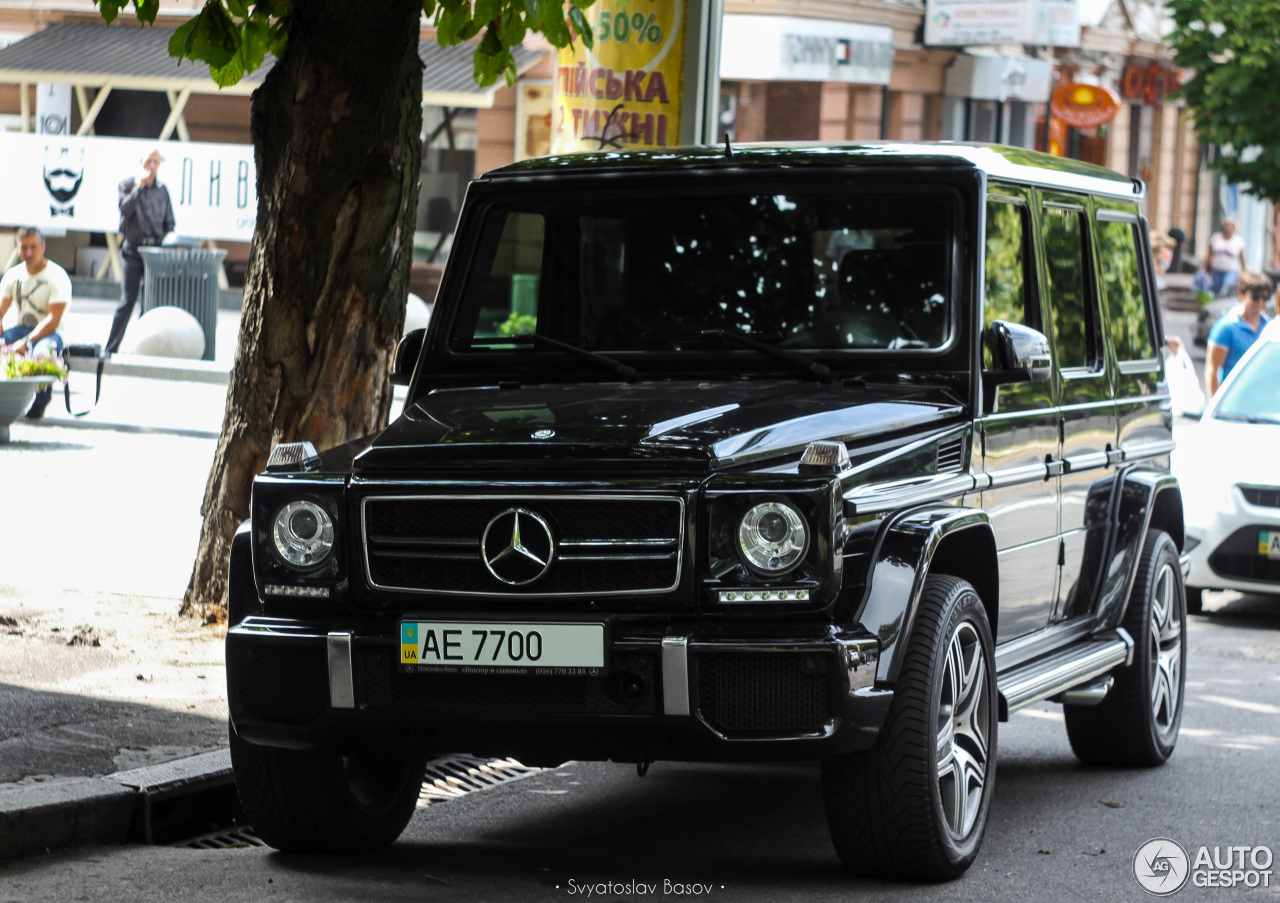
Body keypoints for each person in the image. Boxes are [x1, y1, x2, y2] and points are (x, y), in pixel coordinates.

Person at [106, 146, 175, 354]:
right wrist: (140, 187)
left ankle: (143, 348)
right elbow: (124, 209)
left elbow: (170, 221)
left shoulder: (162, 190)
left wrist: (163, 241)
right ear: (141, 163)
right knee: (128, 299)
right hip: (133, 249)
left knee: (151, 300)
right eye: (148, 161)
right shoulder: (127, 184)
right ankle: (111, 348)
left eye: (155, 162)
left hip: (154, 251)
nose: (151, 166)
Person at [0, 227, 72, 419]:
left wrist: (25, 343)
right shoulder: (12, 275)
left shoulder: (57, 276)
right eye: (24, 247)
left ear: (43, 247)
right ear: (17, 248)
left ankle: (40, 402)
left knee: (42, 353)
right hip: (20, 329)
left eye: (33, 247)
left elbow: (53, 320)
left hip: (51, 332)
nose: (29, 253)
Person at [1205, 270, 1272, 397]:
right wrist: (1215, 407)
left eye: (1265, 298)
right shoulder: (1226, 327)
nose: (1260, 303)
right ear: (1241, 294)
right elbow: (1212, 371)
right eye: (1256, 297)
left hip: (1262, 401)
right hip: (1233, 402)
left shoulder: (1268, 326)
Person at [1203, 218, 1247, 298]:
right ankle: (1216, 306)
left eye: (1231, 226)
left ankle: (1222, 306)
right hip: (1216, 269)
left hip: (1230, 271)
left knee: (1225, 287)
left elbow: (1241, 257)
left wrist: (1245, 269)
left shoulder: (1238, 241)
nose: (1229, 227)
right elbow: (1209, 253)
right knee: (1216, 289)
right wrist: (1204, 267)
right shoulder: (1215, 237)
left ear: (1234, 228)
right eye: (1227, 225)